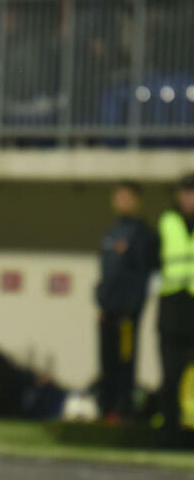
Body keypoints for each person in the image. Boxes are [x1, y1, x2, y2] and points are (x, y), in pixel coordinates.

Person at [94, 181, 156, 422]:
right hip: (107, 309)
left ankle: (123, 410)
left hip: (127, 312)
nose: (121, 201)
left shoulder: (142, 234)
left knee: (125, 360)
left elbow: (143, 274)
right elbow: (105, 273)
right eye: (118, 196)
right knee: (107, 360)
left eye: (126, 197)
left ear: (137, 200)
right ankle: (106, 408)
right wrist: (101, 302)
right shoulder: (111, 232)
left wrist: (133, 306)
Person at [154, 173, 194, 436]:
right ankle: (169, 427)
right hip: (172, 307)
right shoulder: (167, 222)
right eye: (186, 193)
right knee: (171, 372)